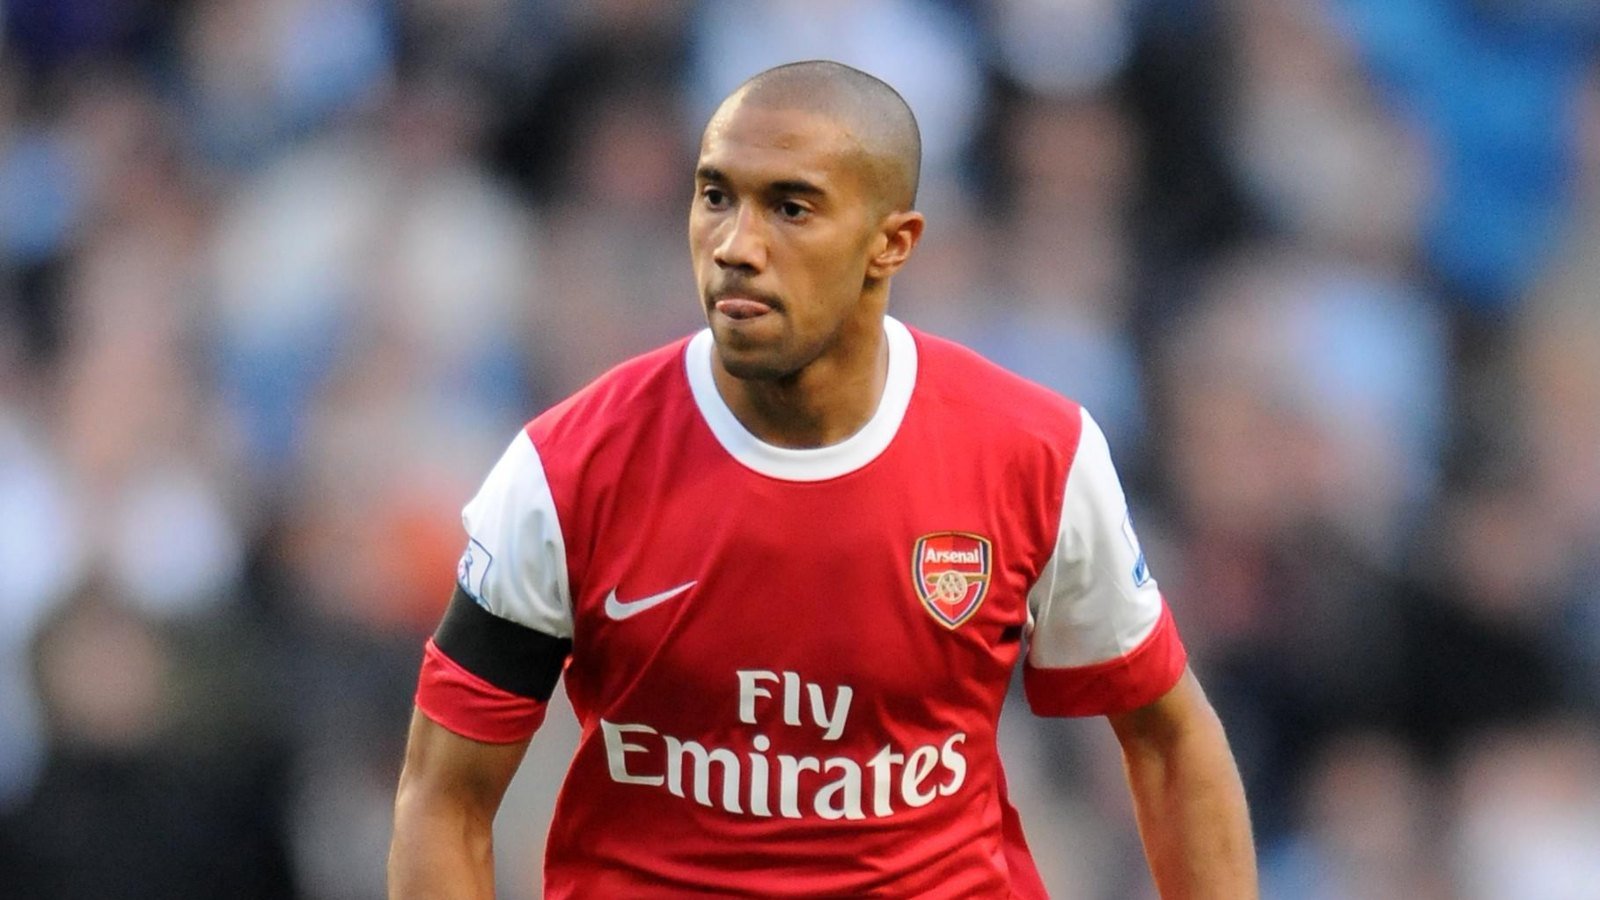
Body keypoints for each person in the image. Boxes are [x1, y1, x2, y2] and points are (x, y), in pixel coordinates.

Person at [388, 60, 1257, 898]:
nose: (736, 245)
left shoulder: (1035, 453)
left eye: (790, 207)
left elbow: (1168, 741)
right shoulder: (565, 470)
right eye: (715, 196)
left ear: (892, 244)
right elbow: (443, 797)